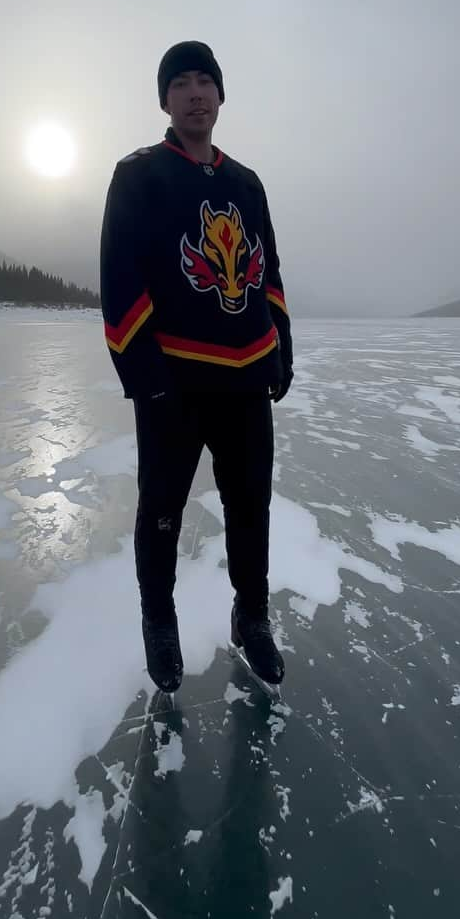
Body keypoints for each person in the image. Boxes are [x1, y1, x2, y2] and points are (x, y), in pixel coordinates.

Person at [100, 41, 293, 692]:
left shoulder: (246, 183)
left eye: (205, 80)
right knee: (161, 509)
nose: (195, 92)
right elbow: (119, 281)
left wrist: (279, 346)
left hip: (244, 380)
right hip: (173, 382)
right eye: (180, 82)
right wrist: (146, 377)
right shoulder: (139, 174)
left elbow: (266, 273)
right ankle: (160, 619)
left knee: (250, 507)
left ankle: (254, 615)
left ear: (220, 95)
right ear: (165, 99)